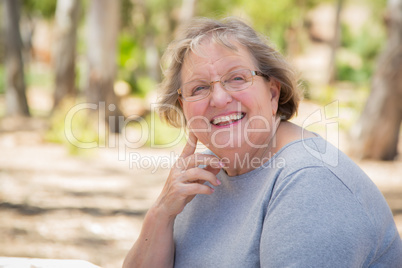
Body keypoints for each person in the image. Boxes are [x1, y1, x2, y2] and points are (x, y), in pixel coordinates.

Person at [123, 17, 402, 267]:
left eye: (237, 78)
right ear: (183, 106)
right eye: (199, 88)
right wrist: (161, 213)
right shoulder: (202, 176)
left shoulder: (309, 182)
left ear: (272, 92)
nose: (219, 99)